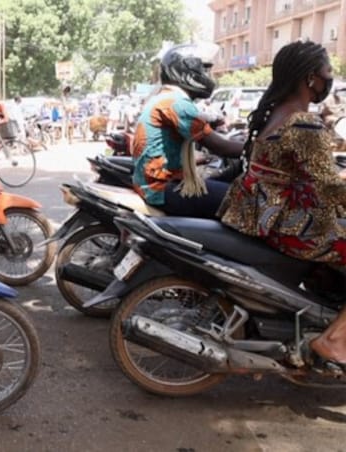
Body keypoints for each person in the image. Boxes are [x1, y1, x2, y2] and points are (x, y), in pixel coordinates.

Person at [216, 40, 346, 370]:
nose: (329, 79)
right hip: (290, 227)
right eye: (327, 72)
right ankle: (334, 340)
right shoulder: (303, 124)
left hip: (261, 217)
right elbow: (329, 185)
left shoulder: (276, 113)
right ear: (310, 78)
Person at [130, 43, 243, 219]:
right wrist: (258, 148)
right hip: (163, 189)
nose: (206, 76)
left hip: (156, 185)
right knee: (241, 199)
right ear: (185, 71)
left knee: (219, 184)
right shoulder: (177, 104)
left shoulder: (166, 98)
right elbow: (221, 147)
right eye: (202, 70)